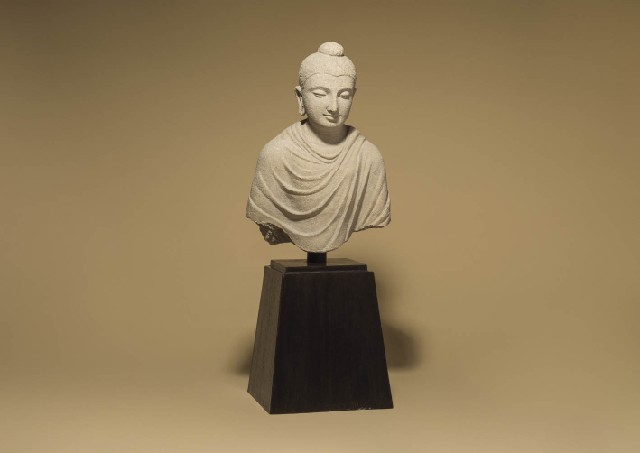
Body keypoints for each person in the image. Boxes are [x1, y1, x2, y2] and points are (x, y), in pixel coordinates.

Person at [246, 42, 391, 253]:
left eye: (344, 95)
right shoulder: (276, 155)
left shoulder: (367, 157)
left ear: (354, 96)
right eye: (320, 94)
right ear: (300, 97)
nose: (334, 106)